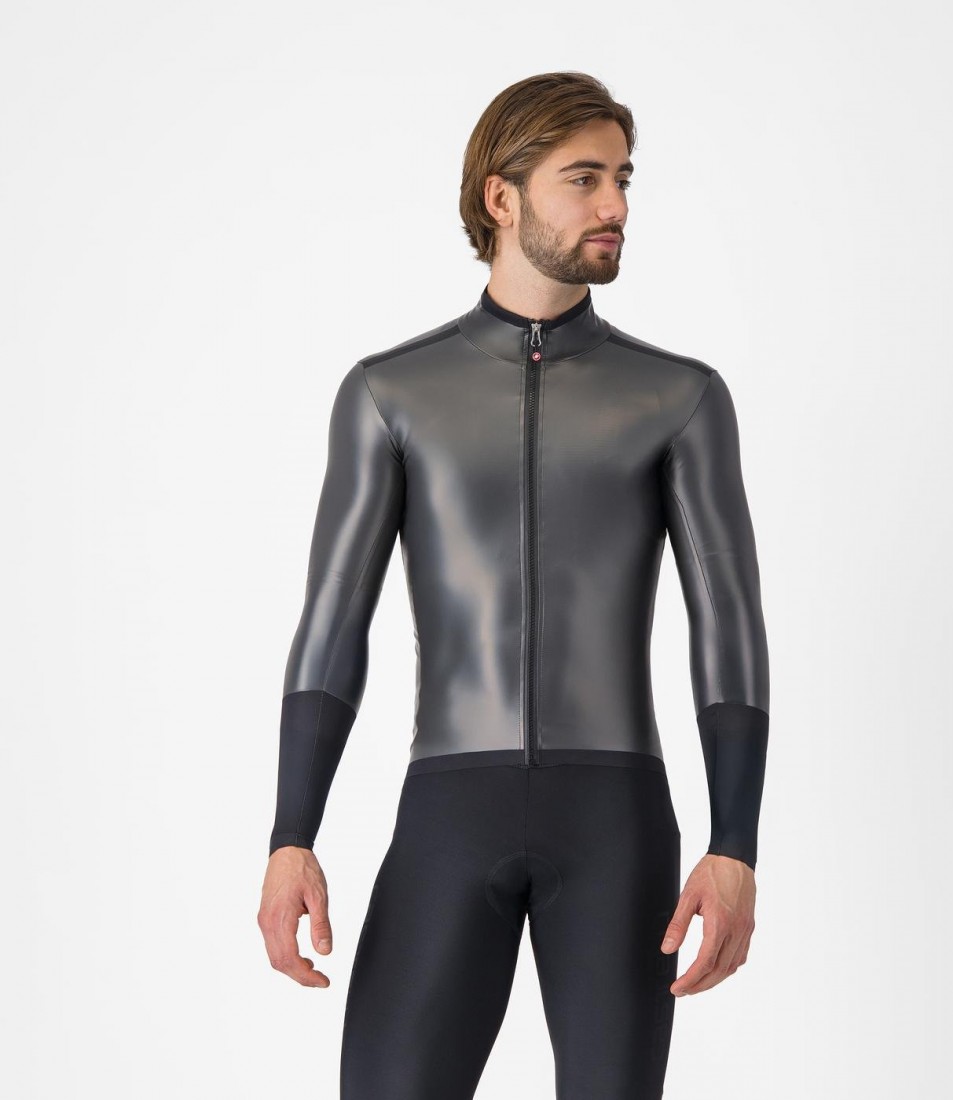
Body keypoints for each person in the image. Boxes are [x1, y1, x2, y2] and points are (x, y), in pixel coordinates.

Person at [256, 70, 770, 1099]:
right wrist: (290, 835)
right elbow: (333, 619)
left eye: (623, 178)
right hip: (450, 814)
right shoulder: (392, 392)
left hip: (616, 822)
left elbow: (728, 624)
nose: (615, 205)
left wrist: (734, 845)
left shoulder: (677, 397)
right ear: (502, 197)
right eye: (584, 179)